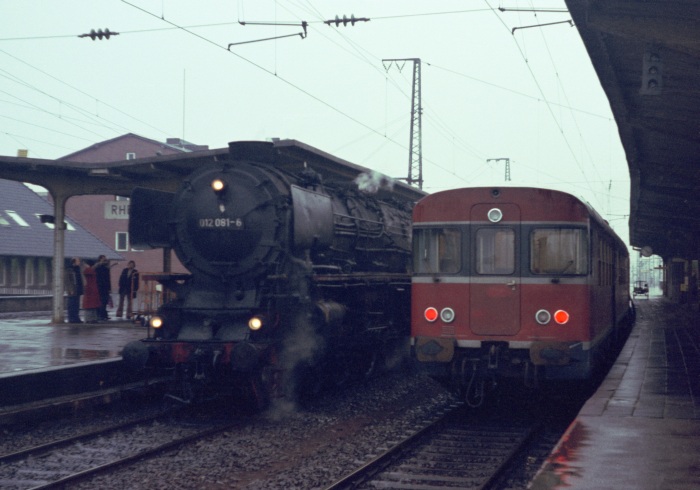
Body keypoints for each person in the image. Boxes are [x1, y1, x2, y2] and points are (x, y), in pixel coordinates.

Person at [65, 257, 84, 323]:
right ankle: (71, 318)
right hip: (73, 289)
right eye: (78, 261)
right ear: (74, 262)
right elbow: (68, 281)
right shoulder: (69, 270)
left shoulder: (77, 269)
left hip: (78, 289)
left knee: (76, 304)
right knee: (72, 304)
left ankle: (76, 317)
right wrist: (70, 289)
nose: (79, 263)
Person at [95, 254, 112, 321]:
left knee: (104, 301)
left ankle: (103, 314)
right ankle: (101, 314)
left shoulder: (106, 268)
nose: (104, 260)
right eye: (103, 259)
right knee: (101, 301)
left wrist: (109, 288)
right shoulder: (98, 268)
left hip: (104, 287)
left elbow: (108, 279)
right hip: (100, 287)